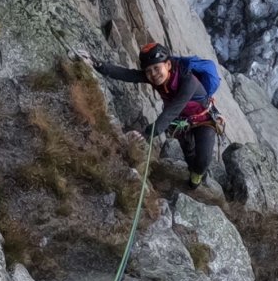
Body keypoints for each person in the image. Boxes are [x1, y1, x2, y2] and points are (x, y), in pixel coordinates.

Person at [84, 41, 222, 187]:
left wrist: (148, 133)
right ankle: (192, 170)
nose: (153, 74)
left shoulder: (189, 81)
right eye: (148, 71)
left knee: (203, 159)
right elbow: (129, 75)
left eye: (156, 68)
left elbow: (174, 109)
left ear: (168, 65)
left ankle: (197, 175)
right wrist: (98, 64)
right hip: (180, 121)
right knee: (188, 150)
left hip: (203, 119)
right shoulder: (156, 77)